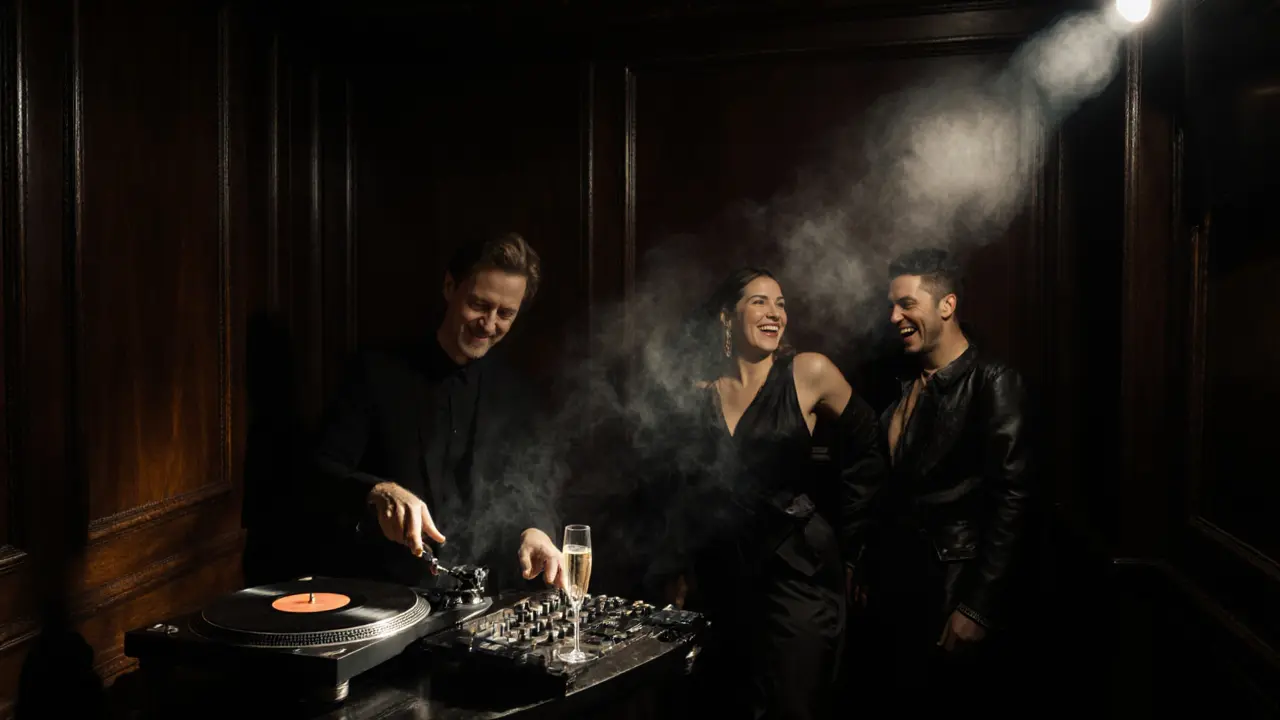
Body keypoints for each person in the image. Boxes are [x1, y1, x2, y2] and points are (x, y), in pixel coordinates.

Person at [655, 267, 885, 720]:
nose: (775, 313)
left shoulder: (809, 372)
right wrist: (678, 569)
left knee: (791, 704)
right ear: (726, 318)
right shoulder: (698, 394)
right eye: (760, 301)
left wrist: (855, 541)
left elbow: (871, 448)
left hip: (796, 570)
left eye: (781, 304)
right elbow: (682, 492)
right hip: (724, 576)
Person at [310, 231, 563, 592]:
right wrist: (378, 490)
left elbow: (534, 485)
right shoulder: (376, 372)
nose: (489, 325)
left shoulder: (515, 389)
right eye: (479, 305)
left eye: (505, 313)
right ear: (449, 287)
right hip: (389, 598)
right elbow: (318, 474)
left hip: (483, 601)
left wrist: (536, 529)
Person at [859, 247, 1032, 714]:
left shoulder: (992, 380)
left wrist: (976, 606)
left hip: (950, 583)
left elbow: (1013, 500)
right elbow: (885, 485)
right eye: (891, 306)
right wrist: (867, 563)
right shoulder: (897, 381)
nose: (894, 316)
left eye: (906, 304)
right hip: (897, 581)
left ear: (947, 305)